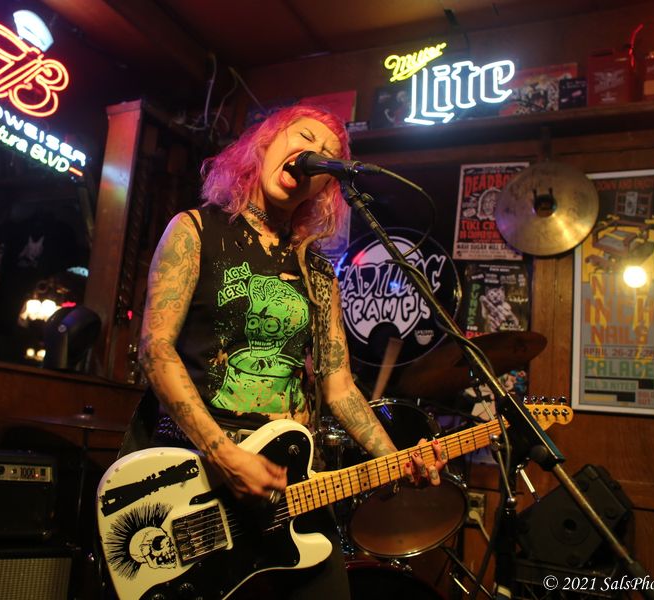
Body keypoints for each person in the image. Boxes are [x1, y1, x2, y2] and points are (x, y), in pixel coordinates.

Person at [136, 104, 447, 598]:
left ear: (325, 185)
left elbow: (339, 385)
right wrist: (222, 453)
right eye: (304, 137)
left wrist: (393, 458)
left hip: (294, 485)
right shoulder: (195, 230)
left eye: (326, 155)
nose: (313, 154)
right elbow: (155, 350)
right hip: (199, 478)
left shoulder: (318, 272)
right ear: (265, 141)